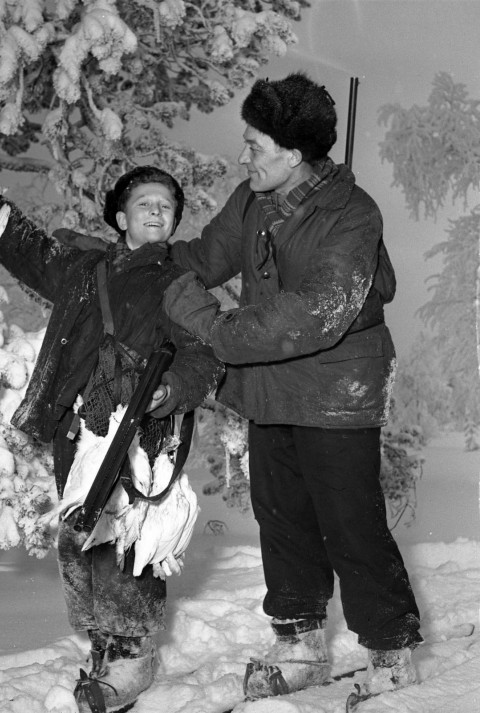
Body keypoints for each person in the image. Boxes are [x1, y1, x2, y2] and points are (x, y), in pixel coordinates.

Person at [162, 72, 423, 702]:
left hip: (337, 389)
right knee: (280, 515)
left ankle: (389, 649)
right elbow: (201, 258)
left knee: (349, 520)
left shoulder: (351, 215)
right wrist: (140, 264)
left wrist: (211, 326)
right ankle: (299, 640)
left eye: (254, 144)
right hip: (269, 385)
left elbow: (314, 313)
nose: (243, 155)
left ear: (293, 153)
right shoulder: (251, 200)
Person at [0, 161, 223, 711]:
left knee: (127, 541)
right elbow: (31, 254)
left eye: (165, 206)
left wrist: (169, 391)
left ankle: (133, 654)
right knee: (81, 537)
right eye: (144, 202)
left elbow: (206, 354)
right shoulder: (84, 268)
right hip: (79, 425)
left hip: (140, 429)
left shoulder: (178, 284)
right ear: (121, 216)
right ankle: (104, 644)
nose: (155, 210)